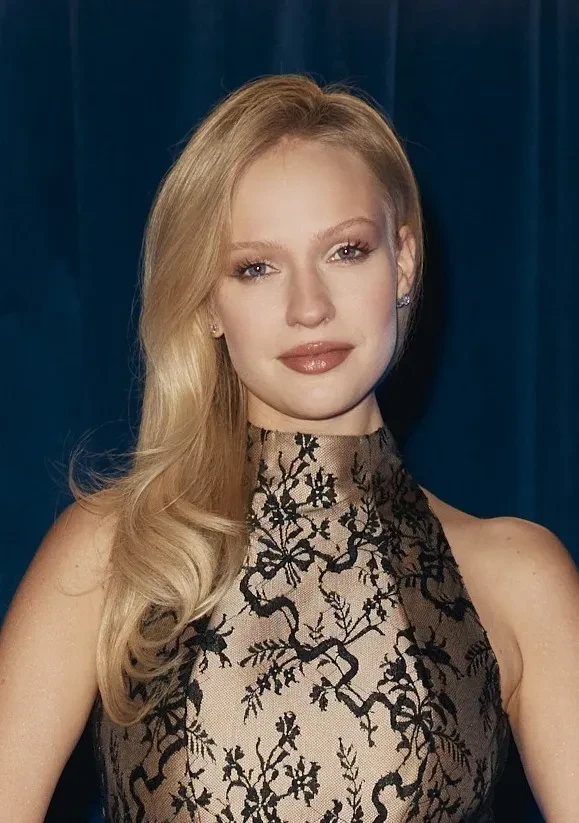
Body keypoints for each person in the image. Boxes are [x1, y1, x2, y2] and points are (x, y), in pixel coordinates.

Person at [1, 73, 578, 823]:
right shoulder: (112, 551)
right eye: (256, 267)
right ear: (208, 300)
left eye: (346, 250)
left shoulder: (520, 579)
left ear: (402, 261)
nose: (309, 307)